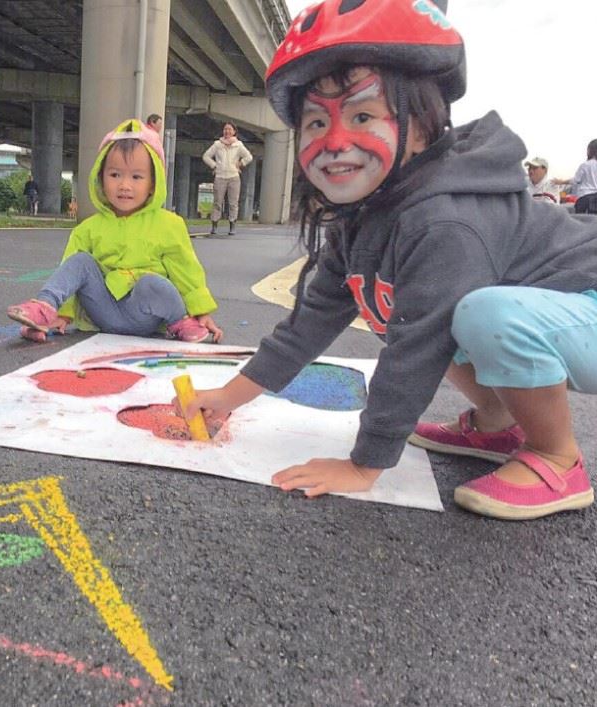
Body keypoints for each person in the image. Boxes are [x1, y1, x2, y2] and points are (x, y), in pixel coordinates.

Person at [179, 0, 597, 520]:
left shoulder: (445, 219)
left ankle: (558, 456)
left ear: (422, 126)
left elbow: (416, 350)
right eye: (314, 122)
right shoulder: (366, 215)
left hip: (587, 303)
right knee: (420, 309)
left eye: (361, 115)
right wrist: (227, 395)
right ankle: (496, 426)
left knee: (467, 316)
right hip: (559, 317)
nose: (334, 142)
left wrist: (365, 463)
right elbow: (309, 322)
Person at [7, 118, 223, 345]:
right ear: (100, 178)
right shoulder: (88, 228)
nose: (124, 186)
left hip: (145, 313)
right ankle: (45, 309)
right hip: (103, 311)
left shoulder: (169, 224)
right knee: (79, 262)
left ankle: (180, 322)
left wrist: (202, 312)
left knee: (153, 284)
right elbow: (71, 276)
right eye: (115, 175)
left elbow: (186, 272)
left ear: (153, 183)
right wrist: (64, 314)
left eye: (136, 177)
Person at [202, 123, 253, 236]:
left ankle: (232, 225)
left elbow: (249, 157)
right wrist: (214, 166)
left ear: (234, 132)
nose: (227, 131)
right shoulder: (217, 144)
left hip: (233, 177)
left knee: (233, 203)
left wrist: (240, 163)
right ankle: (214, 225)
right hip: (220, 176)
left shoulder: (238, 145)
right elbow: (206, 156)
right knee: (217, 202)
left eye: (230, 129)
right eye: (225, 129)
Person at [569, 139, 597, 214]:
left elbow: (575, 181)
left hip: (584, 197)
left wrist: (573, 195)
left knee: (581, 222)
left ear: (589, 151)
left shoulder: (585, 165)